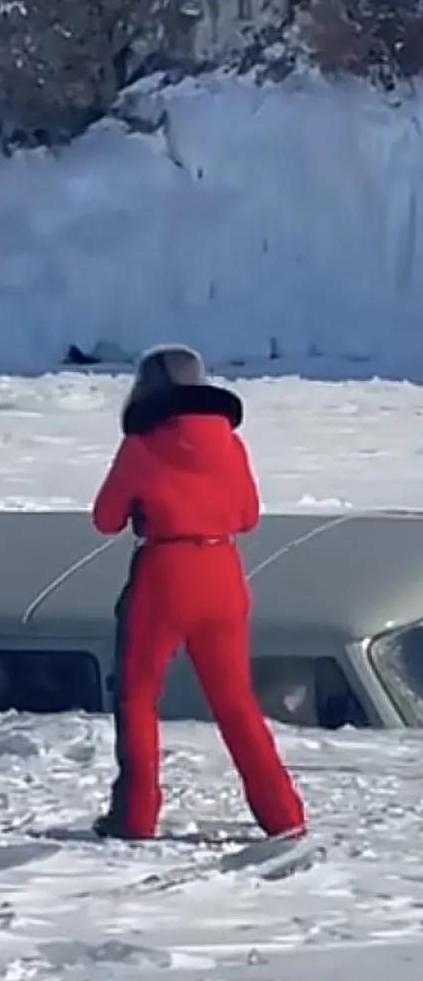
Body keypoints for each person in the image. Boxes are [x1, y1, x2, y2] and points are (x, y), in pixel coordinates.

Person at [90, 344, 306, 841]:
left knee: (138, 698)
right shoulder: (231, 443)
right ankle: (283, 814)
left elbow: (105, 520)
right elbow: (248, 516)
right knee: (235, 702)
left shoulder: (142, 443)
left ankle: (136, 816)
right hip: (224, 573)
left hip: (165, 573)